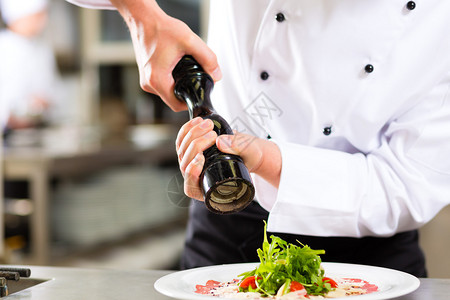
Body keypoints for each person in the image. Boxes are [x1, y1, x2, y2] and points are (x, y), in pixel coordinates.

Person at [67, 0, 450, 277]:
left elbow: (412, 180)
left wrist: (269, 160)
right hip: (231, 220)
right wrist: (141, 14)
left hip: (374, 250)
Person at [0, 0, 63, 130]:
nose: (44, 21)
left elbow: (55, 90)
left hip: (38, 130)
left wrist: (45, 102)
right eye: (38, 16)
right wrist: (8, 117)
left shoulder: (43, 49)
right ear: (20, 15)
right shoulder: (3, 47)